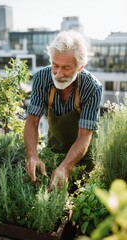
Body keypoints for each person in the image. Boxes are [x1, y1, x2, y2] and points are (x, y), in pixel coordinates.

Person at [24, 30, 102, 191]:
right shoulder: (42, 78)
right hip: (54, 148)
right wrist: (32, 155)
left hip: (83, 156)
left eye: (66, 68)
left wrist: (66, 167)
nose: (58, 74)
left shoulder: (92, 87)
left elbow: (84, 135)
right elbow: (32, 121)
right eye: (55, 65)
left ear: (80, 67)